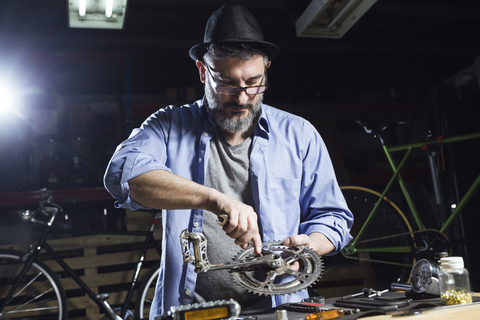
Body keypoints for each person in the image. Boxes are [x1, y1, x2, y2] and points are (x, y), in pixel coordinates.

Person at [104, 4, 353, 318]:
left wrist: (309, 246)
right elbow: (123, 174)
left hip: (281, 307)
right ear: (202, 71)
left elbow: (334, 218)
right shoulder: (168, 126)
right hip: (191, 311)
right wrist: (215, 200)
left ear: (267, 68)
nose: (242, 97)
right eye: (227, 83)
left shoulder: (300, 135)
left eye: (254, 81)